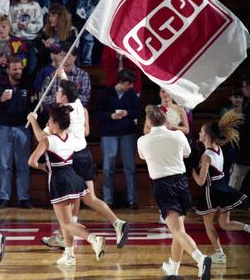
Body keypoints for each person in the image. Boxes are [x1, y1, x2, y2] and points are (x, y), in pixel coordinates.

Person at [28, 78, 129, 254]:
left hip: (71, 158)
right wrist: (63, 76)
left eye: (58, 92)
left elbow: (41, 139)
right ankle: (112, 224)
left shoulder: (61, 113)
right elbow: (71, 92)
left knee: (78, 200)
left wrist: (33, 120)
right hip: (84, 155)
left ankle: (74, 235)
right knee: (84, 199)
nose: (56, 94)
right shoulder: (79, 105)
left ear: (65, 97)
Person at [138, 105, 212, 279]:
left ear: (149, 121)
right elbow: (187, 153)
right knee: (179, 230)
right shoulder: (178, 135)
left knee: (177, 231)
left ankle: (200, 258)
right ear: (166, 120)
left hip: (163, 186)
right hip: (182, 183)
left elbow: (142, 156)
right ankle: (173, 269)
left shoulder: (143, 140)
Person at [28, 104, 107, 265]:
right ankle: (69, 254)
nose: (48, 123)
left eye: (50, 121)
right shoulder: (72, 137)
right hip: (74, 178)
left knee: (66, 223)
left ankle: (93, 239)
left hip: (59, 181)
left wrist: (43, 166)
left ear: (56, 123)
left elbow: (32, 161)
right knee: (69, 220)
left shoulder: (47, 141)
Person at [192, 110, 250, 264]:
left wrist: (192, 171)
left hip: (212, 192)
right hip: (223, 188)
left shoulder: (206, 156)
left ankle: (219, 254)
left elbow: (200, 181)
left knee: (208, 224)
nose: (199, 133)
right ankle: (247, 227)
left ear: (207, 136)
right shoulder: (218, 149)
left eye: (201, 131)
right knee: (224, 223)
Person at [0, 56, 33, 209]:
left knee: (23, 165)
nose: (18, 71)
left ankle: (23, 198)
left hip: (23, 128)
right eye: (14, 69)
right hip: (4, 128)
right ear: (8, 70)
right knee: (5, 165)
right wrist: (0, 100)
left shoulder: (27, 85)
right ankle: (4, 197)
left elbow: (34, 106)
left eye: (19, 68)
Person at [95, 69, 140, 209]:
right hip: (109, 133)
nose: (131, 86)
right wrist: (110, 116)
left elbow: (138, 111)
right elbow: (98, 112)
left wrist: (127, 113)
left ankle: (132, 200)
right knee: (108, 168)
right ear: (121, 82)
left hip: (127, 133)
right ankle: (108, 200)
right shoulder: (106, 93)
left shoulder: (131, 94)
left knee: (130, 167)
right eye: (129, 83)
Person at [41, 42, 91, 109]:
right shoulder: (52, 75)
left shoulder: (83, 76)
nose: (64, 59)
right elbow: (44, 98)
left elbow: (85, 99)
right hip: (56, 112)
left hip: (74, 112)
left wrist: (64, 98)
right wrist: (58, 99)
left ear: (75, 57)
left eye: (68, 56)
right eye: (62, 55)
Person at [9, 0, 43, 74]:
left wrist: (28, 26)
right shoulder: (13, 6)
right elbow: (9, 24)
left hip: (31, 41)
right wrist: (17, 26)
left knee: (31, 66)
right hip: (17, 41)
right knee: (18, 67)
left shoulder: (35, 5)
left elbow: (39, 24)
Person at [229, 77, 250, 191]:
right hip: (241, 149)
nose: (243, 89)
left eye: (244, 86)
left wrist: (235, 124)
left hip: (245, 151)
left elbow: (245, 124)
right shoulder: (247, 103)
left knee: (236, 181)